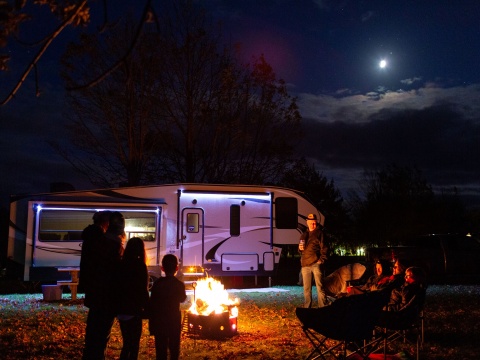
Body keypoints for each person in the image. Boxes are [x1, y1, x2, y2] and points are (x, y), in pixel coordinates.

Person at [82, 211, 125, 360]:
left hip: (95, 293)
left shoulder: (94, 239)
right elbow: (114, 272)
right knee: (100, 335)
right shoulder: (109, 244)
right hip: (106, 296)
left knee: (93, 333)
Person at [115, 237, 150, 360]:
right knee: (134, 345)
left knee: (126, 343)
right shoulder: (140, 266)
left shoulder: (121, 264)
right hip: (134, 310)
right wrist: (147, 308)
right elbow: (143, 290)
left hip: (121, 309)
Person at [148, 254, 187, 360]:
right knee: (174, 348)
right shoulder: (179, 284)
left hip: (159, 321)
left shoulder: (157, 283)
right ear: (177, 268)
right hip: (174, 320)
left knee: (160, 349)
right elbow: (182, 298)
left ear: (162, 268)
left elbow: (152, 303)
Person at [299, 213, 328, 308]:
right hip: (305, 265)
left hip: (316, 264)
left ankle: (323, 307)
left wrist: (321, 260)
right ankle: (307, 308)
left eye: (314, 222)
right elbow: (300, 250)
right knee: (306, 289)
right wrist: (299, 249)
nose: (313, 224)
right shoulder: (304, 235)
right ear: (307, 222)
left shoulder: (319, 233)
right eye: (311, 222)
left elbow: (325, 248)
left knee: (320, 287)